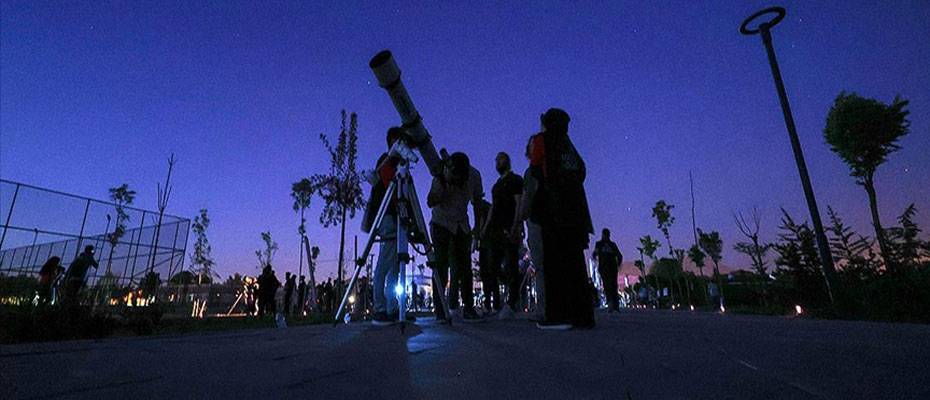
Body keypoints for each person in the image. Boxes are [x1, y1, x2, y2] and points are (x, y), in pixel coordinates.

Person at [529, 108, 595, 330]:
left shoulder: (542, 140)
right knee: (576, 265)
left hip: (553, 210)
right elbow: (582, 172)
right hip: (576, 212)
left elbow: (536, 169)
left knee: (554, 265)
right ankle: (583, 316)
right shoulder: (569, 145)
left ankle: (557, 317)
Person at [428, 151, 484, 322]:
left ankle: (468, 308)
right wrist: (444, 186)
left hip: (461, 223)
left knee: (465, 267)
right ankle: (440, 311)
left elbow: (477, 203)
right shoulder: (442, 175)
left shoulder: (474, 176)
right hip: (441, 223)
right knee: (441, 266)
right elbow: (430, 201)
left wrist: (477, 228)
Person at [365, 127, 405, 326]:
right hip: (388, 216)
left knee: (395, 267)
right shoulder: (386, 160)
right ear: (391, 141)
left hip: (396, 216)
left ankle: (392, 308)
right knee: (385, 262)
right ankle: (380, 309)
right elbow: (392, 185)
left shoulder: (398, 162)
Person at [484, 152, 525, 319]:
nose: (497, 162)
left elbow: (519, 202)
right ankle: (497, 304)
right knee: (491, 268)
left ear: (507, 161)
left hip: (510, 228)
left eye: (500, 159)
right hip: (495, 231)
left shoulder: (516, 180)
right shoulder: (495, 186)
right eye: (496, 160)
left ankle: (512, 303)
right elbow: (493, 208)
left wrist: (516, 224)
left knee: (511, 266)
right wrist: (485, 227)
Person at [516, 136, 546, 321]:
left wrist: (520, 218)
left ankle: (543, 310)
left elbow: (527, 198)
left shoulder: (530, 172)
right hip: (550, 221)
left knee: (541, 266)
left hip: (536, 221)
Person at [476, 198, 501, 313]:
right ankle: (491, 304)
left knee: (490, 273)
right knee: (488, 274)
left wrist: (483, 229)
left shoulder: (482, 206)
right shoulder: (481, 206)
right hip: (487, 243)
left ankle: (493, 304)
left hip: (489, 242)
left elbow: (483, 221)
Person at [594, 228, 623, 312]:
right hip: (612, 268)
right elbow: (619, 255)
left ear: (602, 234)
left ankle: (611, 304)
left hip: (604, 268)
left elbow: (595, 253)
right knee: (613, 285)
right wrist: (618, 264)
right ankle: (615, 305)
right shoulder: (612, 245)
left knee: (607, 285)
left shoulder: (599, 244)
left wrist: (595, 258)